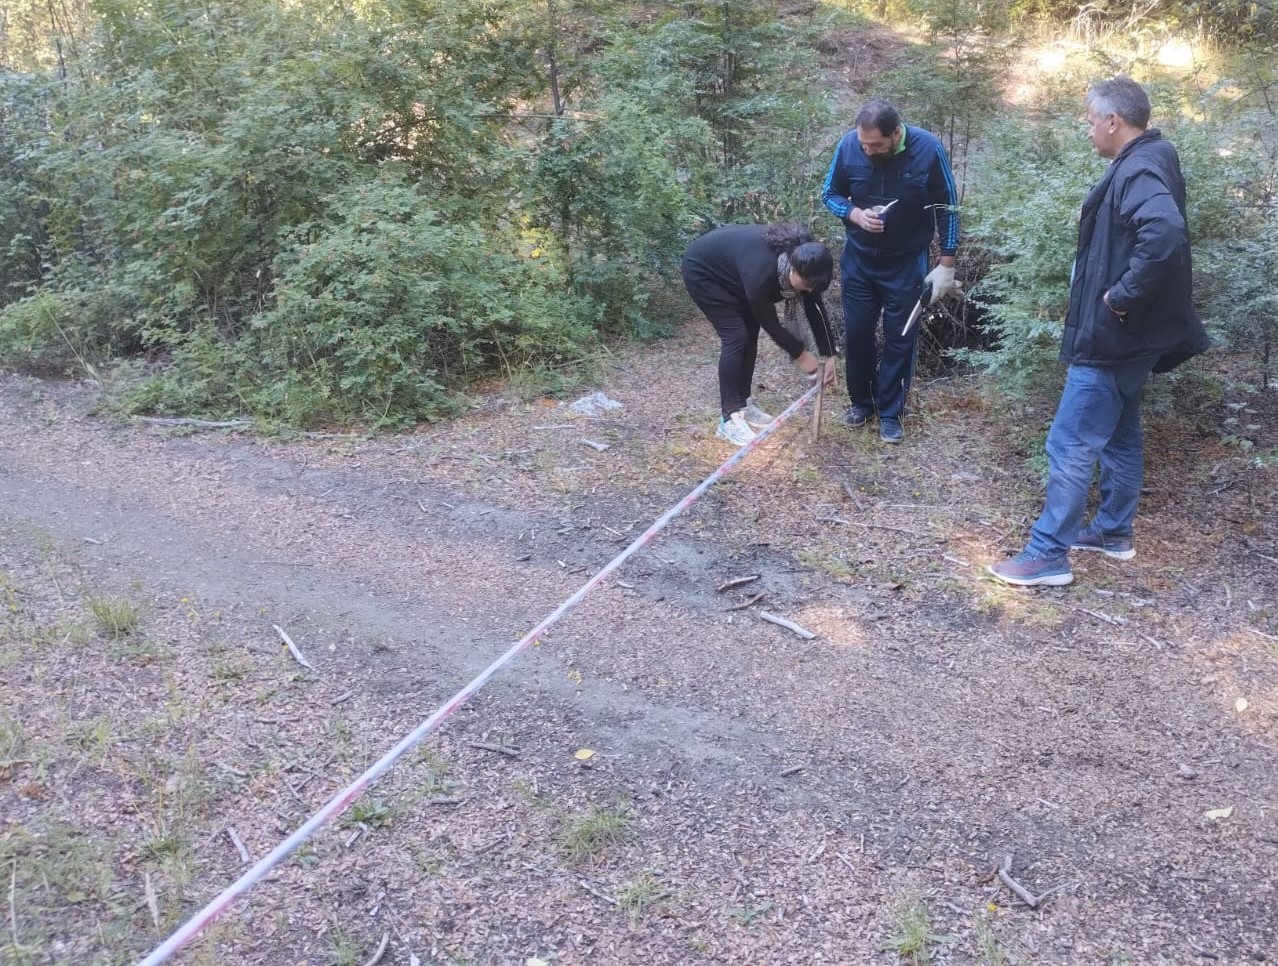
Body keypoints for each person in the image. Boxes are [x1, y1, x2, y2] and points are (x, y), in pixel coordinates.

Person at [988, 76, 1209, 587]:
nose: (1088, 130)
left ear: (1114, 121)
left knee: (1069, 442)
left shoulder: (1139, 169)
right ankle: (1113, 533)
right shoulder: (1151, 158)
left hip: (1114, 337)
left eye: (1090, 121)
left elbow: (1166, 232)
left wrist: (1121, 295)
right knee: (1120, 433)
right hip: (1135, 338)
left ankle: (1048, 555)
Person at [822, 99, 961, 443]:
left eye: (876, 145)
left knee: (900, 339)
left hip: (906, 262)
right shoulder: (849, 145)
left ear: (895, 133)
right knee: (857, 334)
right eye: (864, 144)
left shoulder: (927, 149)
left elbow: (948, 207)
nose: (868, 150)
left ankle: (890, 413)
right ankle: (861, 403)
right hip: (859, 261)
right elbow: (830, 194)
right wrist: (853, 214)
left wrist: (946, 262)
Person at [681, 223, 838, 447]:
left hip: (734, 272)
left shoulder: (808, 264)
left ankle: (744, 404)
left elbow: (815, 308)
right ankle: (728, 420)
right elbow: (771, 324)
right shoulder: (762, 273)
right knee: (736, 337)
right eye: (805, 285)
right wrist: (802, 356)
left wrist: (829, 353)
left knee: (750, 332)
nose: (809, 291)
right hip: (704, 272)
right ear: (792, 270)